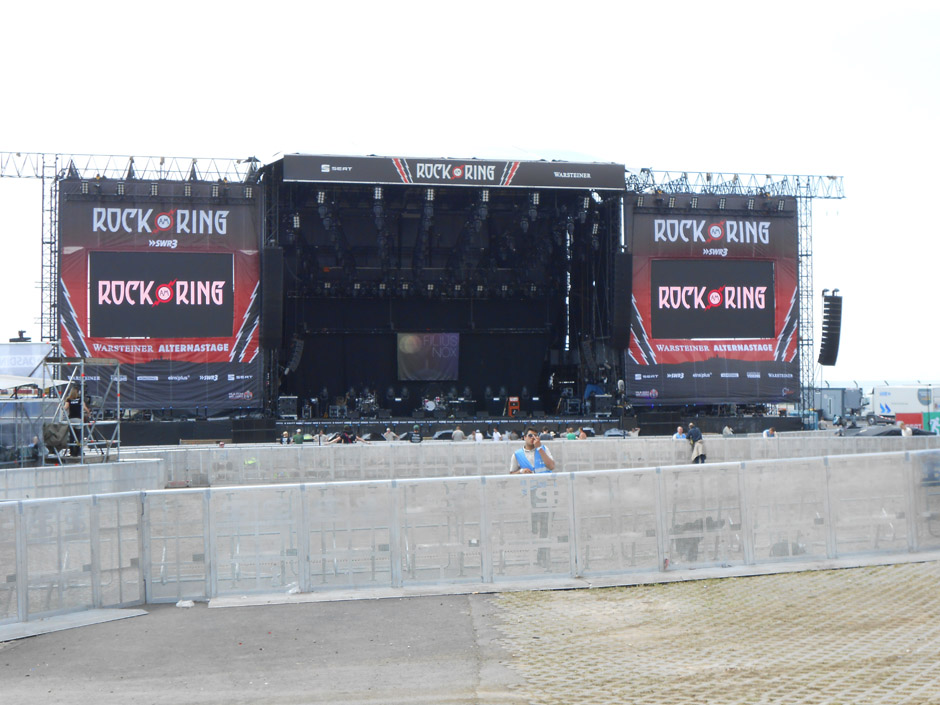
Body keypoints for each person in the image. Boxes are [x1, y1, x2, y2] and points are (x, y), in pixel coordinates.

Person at [510, 427, 558, 569]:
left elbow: (551, 466)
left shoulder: (543, 449)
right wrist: (521, 472)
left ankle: (544, 557)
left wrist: (540, 449)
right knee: (535, 528)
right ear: (524, 437)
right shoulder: (517, 454)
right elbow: (511, 473)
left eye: (536, 436)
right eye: (530, 435)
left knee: (546, 527)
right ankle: (538, 555)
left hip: (547, 492)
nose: (533, 438)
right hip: (530, 495)